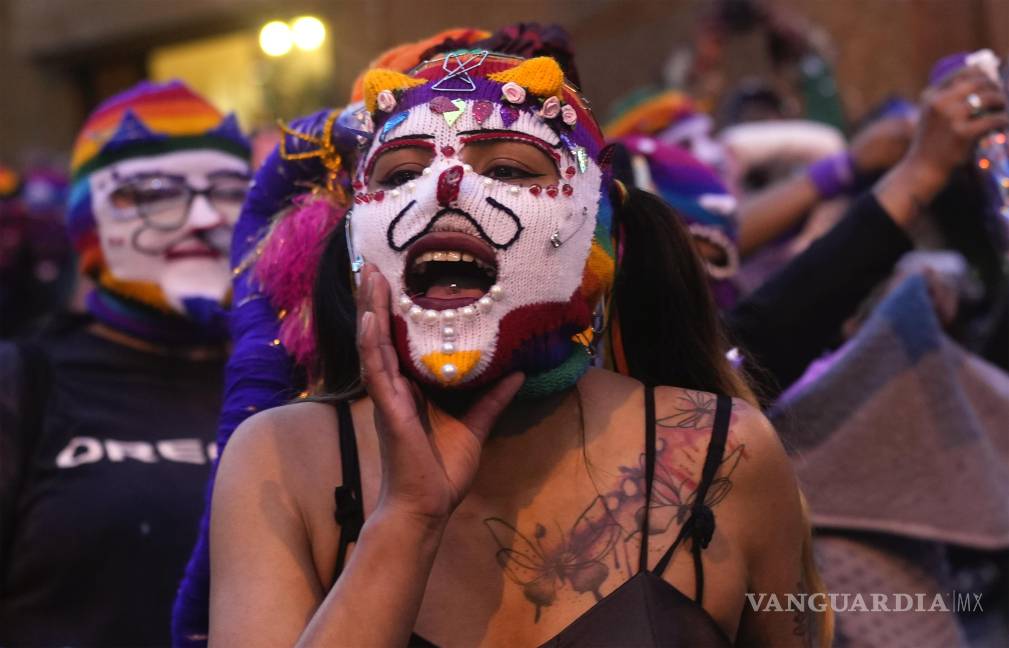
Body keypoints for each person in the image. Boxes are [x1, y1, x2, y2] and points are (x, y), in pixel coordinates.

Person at [207, 29, 828, 646]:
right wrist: (406, 520)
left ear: (596, 234)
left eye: (506, 168)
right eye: (399, 177)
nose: (443, 190)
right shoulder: (280, 462)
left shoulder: (723, 452)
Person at [0, 80, 251, 645]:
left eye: (231, 190)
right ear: (89, 219)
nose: (204, 216)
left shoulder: (292, 379)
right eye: (156, 193)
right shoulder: (22, 385)